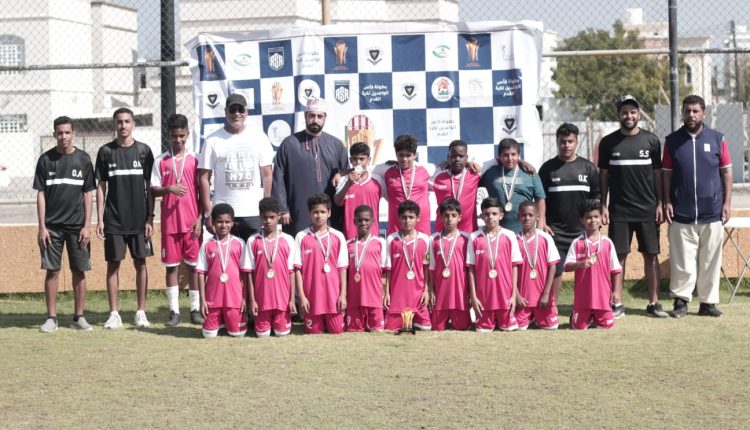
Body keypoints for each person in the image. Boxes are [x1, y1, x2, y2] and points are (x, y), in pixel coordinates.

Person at [598, 95, 669, 319]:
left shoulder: (651, 141)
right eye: (624, 112)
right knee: (618, 257)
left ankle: (654, 303)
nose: (628, 116)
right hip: (619, 211)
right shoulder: (608, 142)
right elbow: (603, 176)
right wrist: (603, 205)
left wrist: (660, 203)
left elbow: (657, 175)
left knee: (651, 255)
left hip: (648, 210)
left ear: (638, 114)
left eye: (632, 112)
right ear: (619, 115)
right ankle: (617, 302)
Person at [663, 94, 732, 318]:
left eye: (695, 111)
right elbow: (666, 174)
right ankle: (681, 301)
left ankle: (708, 303)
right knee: (682, 260)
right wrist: (667, 201)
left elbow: (726, 172)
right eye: (687, 111)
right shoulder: (672, 141)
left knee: (710, 259)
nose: (691, 115)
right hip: (681, 212)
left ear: (704, 113)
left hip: (712, 211)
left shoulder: (718, 139)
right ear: (682, 113)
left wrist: (727, 203)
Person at [34, 116, 96, 332]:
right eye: (59, 133)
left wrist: (87, 226)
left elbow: (88, 194)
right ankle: (52, 318)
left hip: (77, 228)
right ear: (54, 135)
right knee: (52, 271)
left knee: (79, 271)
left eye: (67, 132)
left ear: (74, 134)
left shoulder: (84, 159)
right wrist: (42, 227)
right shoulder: (45, 159)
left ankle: (79, 317)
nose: (63, 137)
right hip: (51, 228)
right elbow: (41, 194)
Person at [95, 107, 155, 329]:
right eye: (119, 122)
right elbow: (101, 186)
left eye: (127, 121)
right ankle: (114, 314)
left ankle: (141, 312)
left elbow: (150, 187)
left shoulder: (144, 151)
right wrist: (100, 219)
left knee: (141, 264)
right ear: (114, 124)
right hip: (114, 220)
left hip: (139, 221)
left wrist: (150, 218)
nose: (123, 125)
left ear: (133, 124)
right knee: (113, 266)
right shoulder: (105, 152)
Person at [538, 123, 600, 317]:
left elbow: (597, 198)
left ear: (576, 142)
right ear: (557, 142)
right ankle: (551, 311)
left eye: (570, 141)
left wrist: (594, 224)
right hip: (556, 232)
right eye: (563, 142)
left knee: (587, 271)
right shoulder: (547, 168)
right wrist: (543, 221)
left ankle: (587, 309)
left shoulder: (588, 168)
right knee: (556, 270)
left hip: (582, 233)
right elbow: (540, 198)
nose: (566, 145)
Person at [150, 114, 203, 326]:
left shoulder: (196, 159)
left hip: (192, 224)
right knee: (171, 267)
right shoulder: (161, 160)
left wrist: (200, 218)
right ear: (168, 135)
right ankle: (174, 311)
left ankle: (195, 309)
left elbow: (203, 191)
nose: (178, 140)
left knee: (193, 267)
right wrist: (168, 188)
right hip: (170, 224)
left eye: (182, 136)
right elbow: (153, 189)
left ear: (187, 134)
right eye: (174, 136)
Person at [198, 93, 274, 241]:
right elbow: (204, 178)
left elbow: (267, 175)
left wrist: (266, 209)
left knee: (255, 254)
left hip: (253, 212)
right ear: (226, 111)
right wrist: (208, 213)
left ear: (246, 112)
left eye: (240, 109)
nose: (237, 113)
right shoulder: (212, 140)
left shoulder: (259, 137)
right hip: (223, 214)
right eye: (232, 110)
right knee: (225, 255)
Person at [273, 98, 349, 236]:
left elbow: (346, 176)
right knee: (299, 243)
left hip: (330, 213)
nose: (315, 120)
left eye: (320, 116)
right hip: (297, 212)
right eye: (312, 115)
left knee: (328, 245)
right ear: (305, 116)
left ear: (325, 117)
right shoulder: (289, 144)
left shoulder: (336, 145)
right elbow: (278, 177)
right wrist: (283, 209)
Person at [294, 193, 348, 334]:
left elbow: (342, 268)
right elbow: (297, 269)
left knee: (336, 330)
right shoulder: (301, 236)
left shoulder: (338, 236)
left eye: (323, 212)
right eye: (315, 212)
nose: (319, 216)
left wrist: (343, 295)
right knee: (314, 332)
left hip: (333, 297)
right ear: (310, 214)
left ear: (329, 213)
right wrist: (301, 296)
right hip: (312, 298)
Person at [564, 199, 623, 330]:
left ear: (601, 218)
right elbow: (567, 266)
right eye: (588, 218)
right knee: (579, 327)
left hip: (603, 298)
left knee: (607, 326)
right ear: (582, 220)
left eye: (596, 216)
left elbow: (616, 270)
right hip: (583, 298)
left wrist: (616, 292)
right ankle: (576, 313)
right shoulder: (577, 243)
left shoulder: (607, 243)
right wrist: (578, 264)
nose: (593, 220)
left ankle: (598, 315)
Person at [243, 197, 297, 337]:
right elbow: (249, 273)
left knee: (281, 333)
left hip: (282, 302)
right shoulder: (253, 240)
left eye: (272, 217)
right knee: (262, 335)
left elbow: (291, 272)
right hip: (261, 302)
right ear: (260, 217)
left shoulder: (288, 240)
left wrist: (292, 300)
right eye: (265, 217)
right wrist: (252, 300)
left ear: (278, 216)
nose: (268, 221)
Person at [467, 197, 522, 332]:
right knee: (483, 330)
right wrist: (473, 297)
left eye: (494, 213)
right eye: (487, 214)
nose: (490, 217)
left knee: (508, 328)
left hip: (505, 297)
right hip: (483, 299)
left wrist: (513, 296)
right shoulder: (474, 237)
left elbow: (514, 266)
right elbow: (471, 269)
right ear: (482, 216)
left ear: (501, 215)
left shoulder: (510, 235)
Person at [196, 203, 247, 338]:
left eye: (227, 222)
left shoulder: (240, 243)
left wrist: (244, 298)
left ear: (232, 223)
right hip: (212, 300)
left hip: (234, 300)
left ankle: (227, 320)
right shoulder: (207, 244)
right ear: (213, 222)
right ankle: (221, 321)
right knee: (208, 335)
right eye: (219, 222)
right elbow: (200, 273)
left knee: (237, 334)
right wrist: (202, 300)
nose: (224, 225)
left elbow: (245, 274)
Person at [383, 200, 432, 331]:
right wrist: (386, 293)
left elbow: (426, 268)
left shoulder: (425, 239)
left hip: (418, 296)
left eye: (411, 217)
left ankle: (414, 317)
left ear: (418, 218)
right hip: (397, 296)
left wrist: (426, 291)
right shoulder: (391, 239)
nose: (407, 221)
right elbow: (388, 270)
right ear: (399, 218)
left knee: (426, 328)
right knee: (390, 329)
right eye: (404, 217)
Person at [481, 138, 547, 234]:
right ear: (499, 156)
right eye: (505, 155)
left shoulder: (530, 173)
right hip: (498, 232)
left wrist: (540, 225)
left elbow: (540, 199)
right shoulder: (491, 173)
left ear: (518, 155)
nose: (510, 158)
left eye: (513, 154)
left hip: (525, 231)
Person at [514, 201, 561, 330]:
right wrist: (516, 295)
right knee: (518, 328)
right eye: (524, 215)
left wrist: (546, 294)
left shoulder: (546, 238)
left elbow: (552, 266)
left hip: (542, 298)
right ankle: (529, 317)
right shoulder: (514, 240)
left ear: (538, 217)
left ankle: (538, 316)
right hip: (523, 299)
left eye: (531, 215)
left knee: (552, 326)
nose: (527, 218)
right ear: (518, 217)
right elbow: (510, 270)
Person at [428, 199, 471, 331]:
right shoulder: (433, 239)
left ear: (460, 218)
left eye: (453, 215)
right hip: (440, 292)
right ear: (441, 217)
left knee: (463, 327)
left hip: (460, 293)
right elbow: (431, 268)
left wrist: (470, 291)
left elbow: (470, 268)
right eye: (446, 215)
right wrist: (431, 290)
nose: (449, 219)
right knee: (436, 327)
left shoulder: (467, 238)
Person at [345, 205, 389, 332]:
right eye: (359, 220)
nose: (363, 223)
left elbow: (385, 272)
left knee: (377, 330)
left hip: (374, 298)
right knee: (353, 331)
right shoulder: (348, 244)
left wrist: (385, 293)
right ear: (354, 221)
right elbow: (345, 273)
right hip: (354, 299)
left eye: (366, 220)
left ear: (373, 221)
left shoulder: (380, 242)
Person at [382, 135, 434, 235]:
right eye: (401, 155)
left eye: (408, 155)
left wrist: (447, 163)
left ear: (415, 155)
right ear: (396, 154)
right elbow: (368, 169)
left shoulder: (426, 170)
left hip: (420, 223)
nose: (404, 159)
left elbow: (446, 174)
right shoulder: (387, 171)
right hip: (397, 224)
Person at [334, 142, 383, 240]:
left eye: (362, 159)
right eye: (355, 159)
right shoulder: (344, 179)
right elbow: (338, 202)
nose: (358, 162)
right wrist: (348, 183)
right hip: (350, 236)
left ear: (368, 160)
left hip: (373, 236)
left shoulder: (377, 179)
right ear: (350, 160)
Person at [431, 140, 481, 234]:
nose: (457, 159)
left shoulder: (475, 174)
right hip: (443, 231)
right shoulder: (438, 175)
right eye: (453, 156)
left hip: (468, 231)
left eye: (461, 156)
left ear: (466, 157)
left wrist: (468, 163)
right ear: (448, 157)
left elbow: (497, 163)